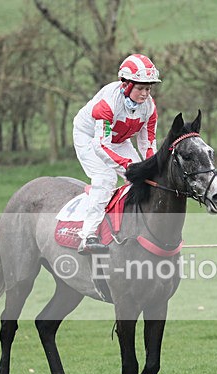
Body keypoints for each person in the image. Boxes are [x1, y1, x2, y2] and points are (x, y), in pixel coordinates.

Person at [72, 53, 161, 254]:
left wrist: (150, 168)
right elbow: (101, 146)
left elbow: (148, 143)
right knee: (106, 178)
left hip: (118, 140)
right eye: (140, 88)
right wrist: (128, 166)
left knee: (144, 180)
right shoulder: (108, 104)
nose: (145, 94)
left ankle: (136, 229)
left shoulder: (150, 108)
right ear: (126, 85)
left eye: (148, 88)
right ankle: (88, 236)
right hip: (89, 138)